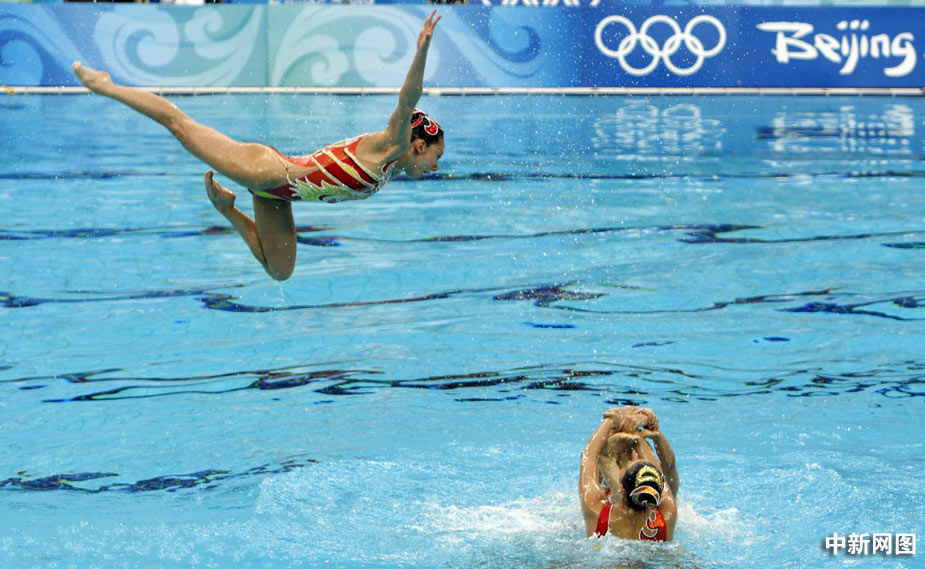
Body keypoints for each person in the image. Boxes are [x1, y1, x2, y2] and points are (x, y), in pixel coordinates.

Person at [72, 11, 444, 281]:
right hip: (267, 171)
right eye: (435, 155)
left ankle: (226, 209)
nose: (436, 166)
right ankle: (106, 86)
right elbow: (408, 98)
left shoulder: (393, 168)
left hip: (278, 196)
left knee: (280, 271)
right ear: (417, 146)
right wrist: (422, 51)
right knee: (181, 128)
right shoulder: (393, 144)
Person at [579, 406, 679, 541]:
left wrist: (611, 419)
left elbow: (588, 456)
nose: (633, 457)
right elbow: (660, 475)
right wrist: (639, 433)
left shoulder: (596, 510)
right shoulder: (667, 514)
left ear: (620, 488)